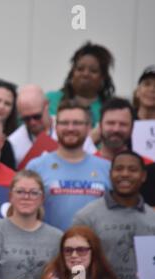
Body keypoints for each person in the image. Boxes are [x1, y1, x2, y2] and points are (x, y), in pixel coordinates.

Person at [73, 151, 155, 279]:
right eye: (119, 169)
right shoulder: (87, 216)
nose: (124, 174)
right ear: (110, 174)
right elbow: (75, 265)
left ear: (143, 176)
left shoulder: (152, 217)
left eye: (132, 169)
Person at [26, 100, 111, 231]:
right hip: (49, 249)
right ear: (56, 126)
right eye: (64, 123)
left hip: (94, 248)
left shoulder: (106, 168)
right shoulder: (36, 166)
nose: (70, 128)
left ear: (88, 127)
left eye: (77, 123)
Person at [0, 170, 62, 279]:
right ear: (10, 195)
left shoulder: (57, 237)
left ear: (42, 198)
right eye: (20, 191)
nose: (26, 197)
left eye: (34, 193)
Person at [9, 84, 97, 168]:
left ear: (47, 105)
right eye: (26, 119)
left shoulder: (69, 128)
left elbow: (94, 159)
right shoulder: (14, 142)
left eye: (37, 116)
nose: (32, 122)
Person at [39, 225, 129, 279]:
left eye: (81, 250)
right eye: (68, 250)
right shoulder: (54, 271)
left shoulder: (102, 272)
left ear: (93, 252)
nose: (74, 255)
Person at [46, 42, 115, 129]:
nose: (85, 74)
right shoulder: (50, 100)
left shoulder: (110, 109)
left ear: (103, 77)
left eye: (93, 71)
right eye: (80, 69)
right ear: (72, 73)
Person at [95, 97, 153, 164]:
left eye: (123, 124)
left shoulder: (148, 166)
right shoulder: (83, 165)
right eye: (110, 123)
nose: (116, 129)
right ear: (100, 126)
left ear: (132, 128)